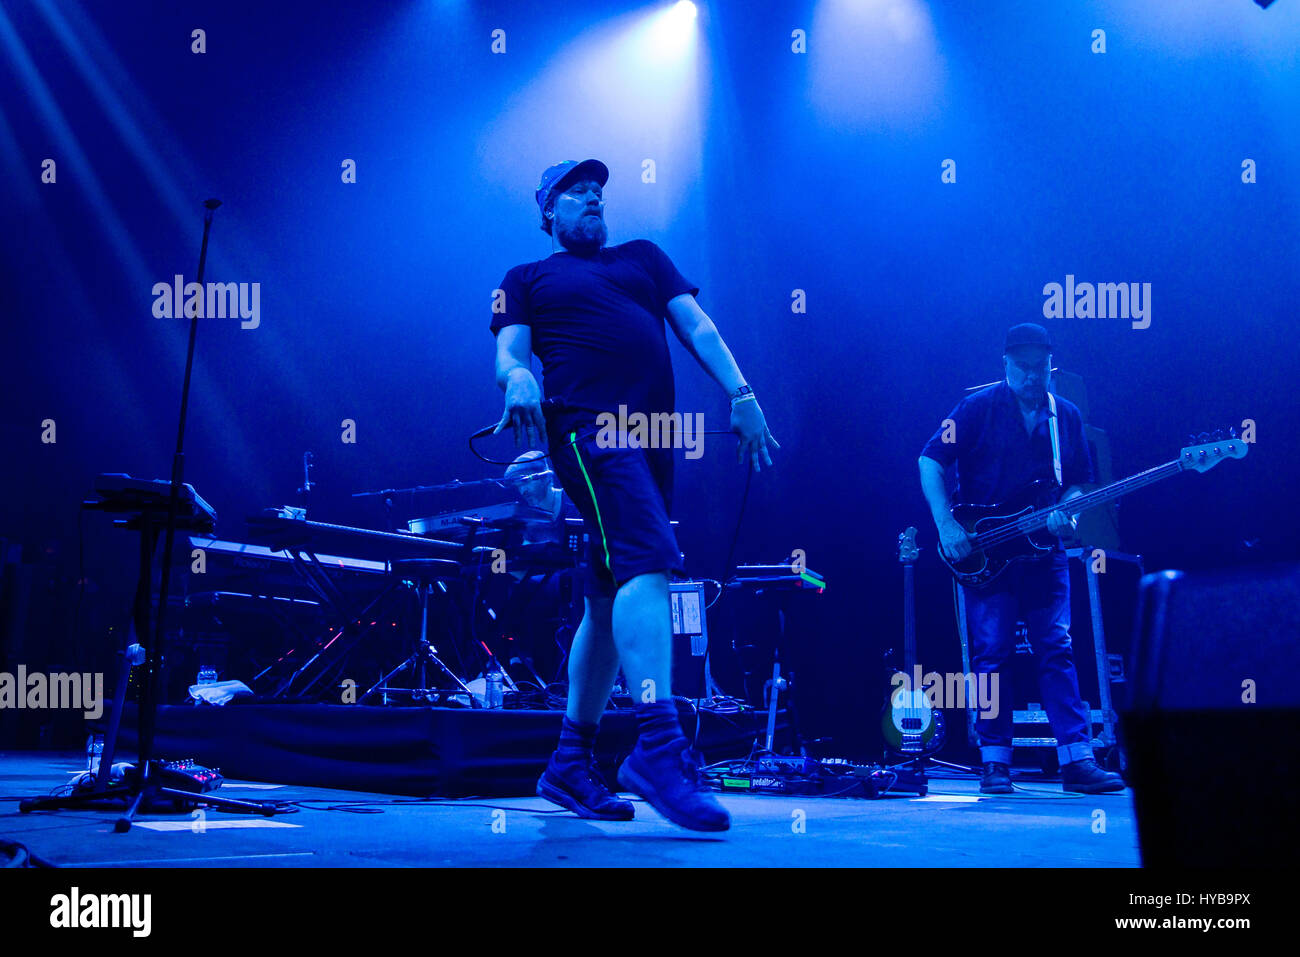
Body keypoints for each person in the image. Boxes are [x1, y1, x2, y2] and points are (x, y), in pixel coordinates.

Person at [491, 159, 778, 830]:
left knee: (603, 601)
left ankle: (569, 759)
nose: (592, 197)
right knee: (649, 562)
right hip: (590, 433)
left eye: (598, 191)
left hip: (650, 444)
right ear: (547, 212)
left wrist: (742, 393)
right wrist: (516, 379)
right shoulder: (527, 278)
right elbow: (508, 352)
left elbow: (698, 327)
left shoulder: (645, 259)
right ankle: (658, 744)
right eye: (575, 191)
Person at [917, 323, 1125, 795]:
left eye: (1041, 366)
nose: (1034, 376)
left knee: (1058, 649)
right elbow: (929, 460)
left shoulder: (1065, 415)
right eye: (1024, 367)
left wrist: (1067, 512)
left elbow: (1075, 480)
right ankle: (995, 764)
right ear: (1006, 365)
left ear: (1052, 364)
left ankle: (1077, 760)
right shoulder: (976, 408)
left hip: (1045, 554)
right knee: (991, 655)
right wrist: (947, 525)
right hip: (987, 552)